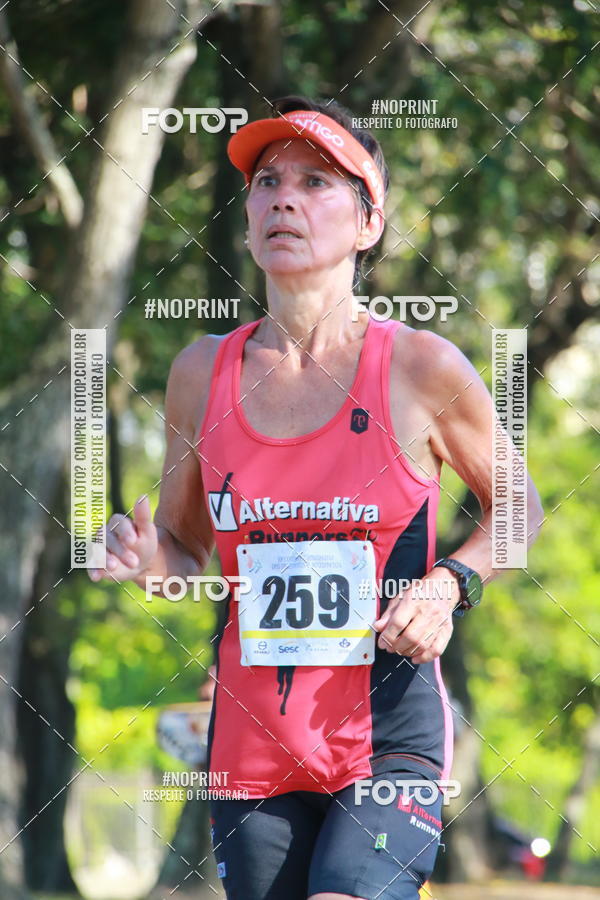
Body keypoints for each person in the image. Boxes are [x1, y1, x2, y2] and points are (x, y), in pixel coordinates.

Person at [89, 95, 543, 900]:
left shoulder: (420, 366)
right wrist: (140, 555)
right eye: (266, 181)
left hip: (386, 737)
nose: (283, 198)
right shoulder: (201, 373)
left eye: (317, 181)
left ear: (369, 223)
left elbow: (521, 510)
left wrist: (450, 582)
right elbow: (185, 546)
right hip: (250, 744)